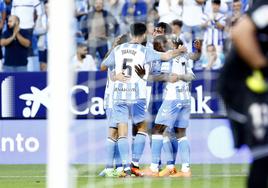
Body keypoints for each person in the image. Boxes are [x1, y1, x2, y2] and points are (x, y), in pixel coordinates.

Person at [101, 22, 187, 176]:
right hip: (137, 96)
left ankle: (125, 168)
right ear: (142, 35)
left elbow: (102, 66)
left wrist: (115, 75)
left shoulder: (118, 49)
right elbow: (166, 56)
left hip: (119, 95)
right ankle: (138, 163)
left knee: (122, 132)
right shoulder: (144, 50)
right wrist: (179, 50)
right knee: (143, 128)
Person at [218, 0, 268, 187]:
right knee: (264, 156)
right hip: (242, 88)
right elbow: (240, 32)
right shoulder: (265, 9)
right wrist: (263, 67)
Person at [80, 0, 119, 65]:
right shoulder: (89, 14)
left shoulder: (106, 14)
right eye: (96, 3)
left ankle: (105, 74)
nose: (98, 5)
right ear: (94, 4)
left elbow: (116, 24)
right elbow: (82, 25)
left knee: (106, 60)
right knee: (89, 60)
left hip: (102, 40)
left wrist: (111, 35)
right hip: (91, 41)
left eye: (100, 3)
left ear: (103, 5)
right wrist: (85, 36)